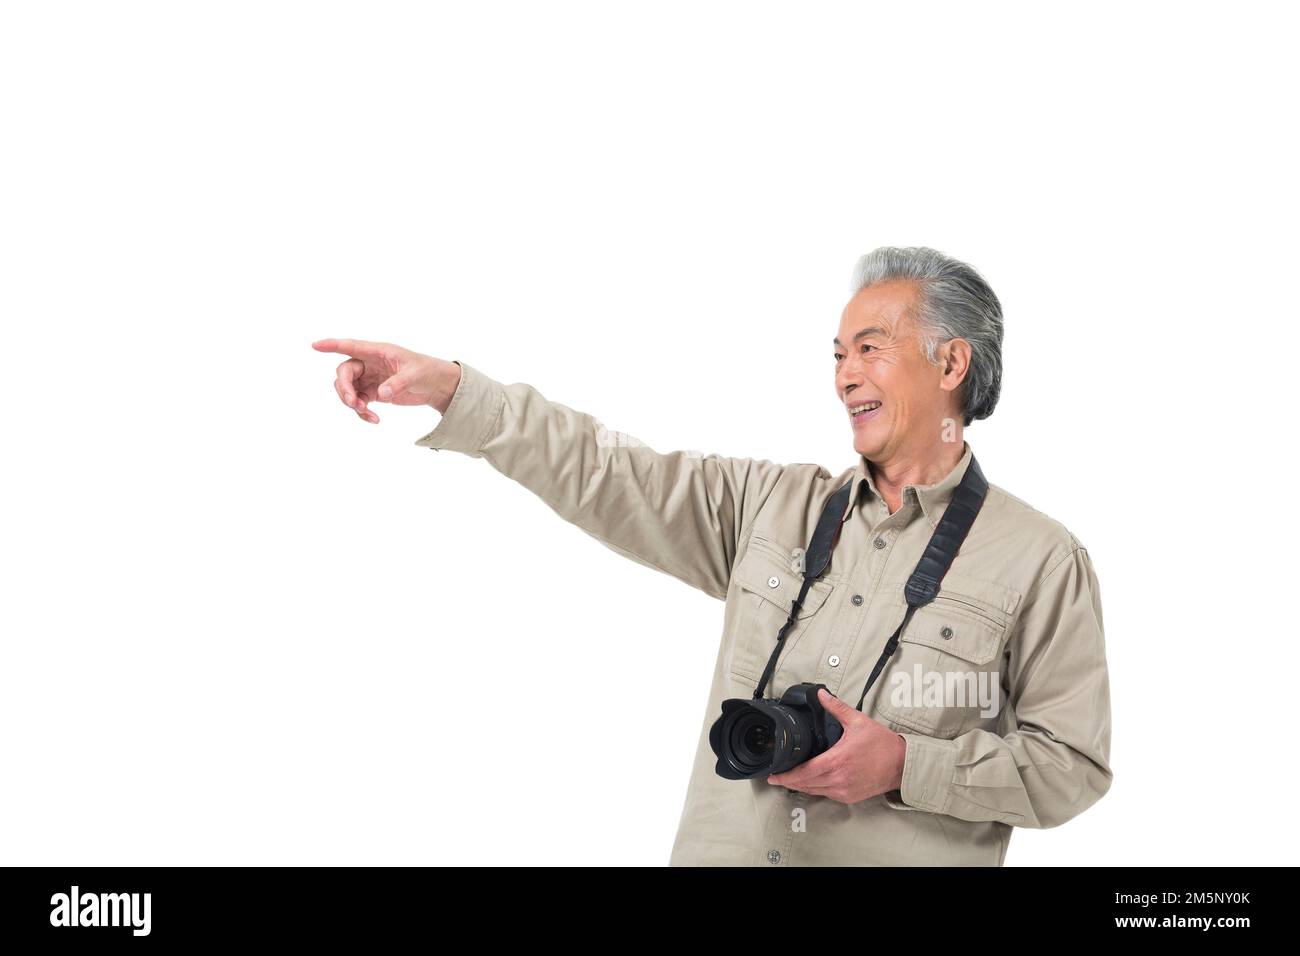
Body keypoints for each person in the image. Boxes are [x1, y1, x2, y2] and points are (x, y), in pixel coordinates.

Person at [312, 245, 1112, 866]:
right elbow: (607, 470)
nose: (843, 376)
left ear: (951, 363)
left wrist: (907, 764)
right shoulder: (769, 506)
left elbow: (1071, 765)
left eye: (869, 348)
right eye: (836, 354)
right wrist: (456, 391)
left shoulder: (1042, 560)